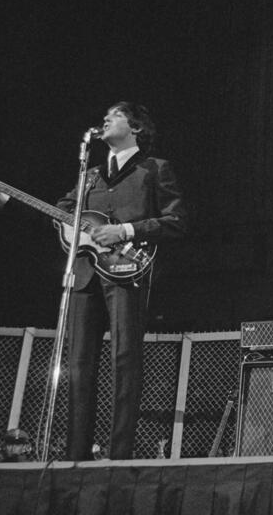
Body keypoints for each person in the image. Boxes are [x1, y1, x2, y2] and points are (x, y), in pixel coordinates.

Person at [55, 102, 189, 461]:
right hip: (85, 275)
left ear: (136, 128)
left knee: (125, 358)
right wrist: (5, 196)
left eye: (114, 115)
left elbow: (176, 221)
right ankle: (75, 454)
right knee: (79, 363)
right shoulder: (91, 174)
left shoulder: (154, 169)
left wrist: (125, 230)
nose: (105, 119)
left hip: (128, 272)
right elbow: (62, 210)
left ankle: (120, 454)